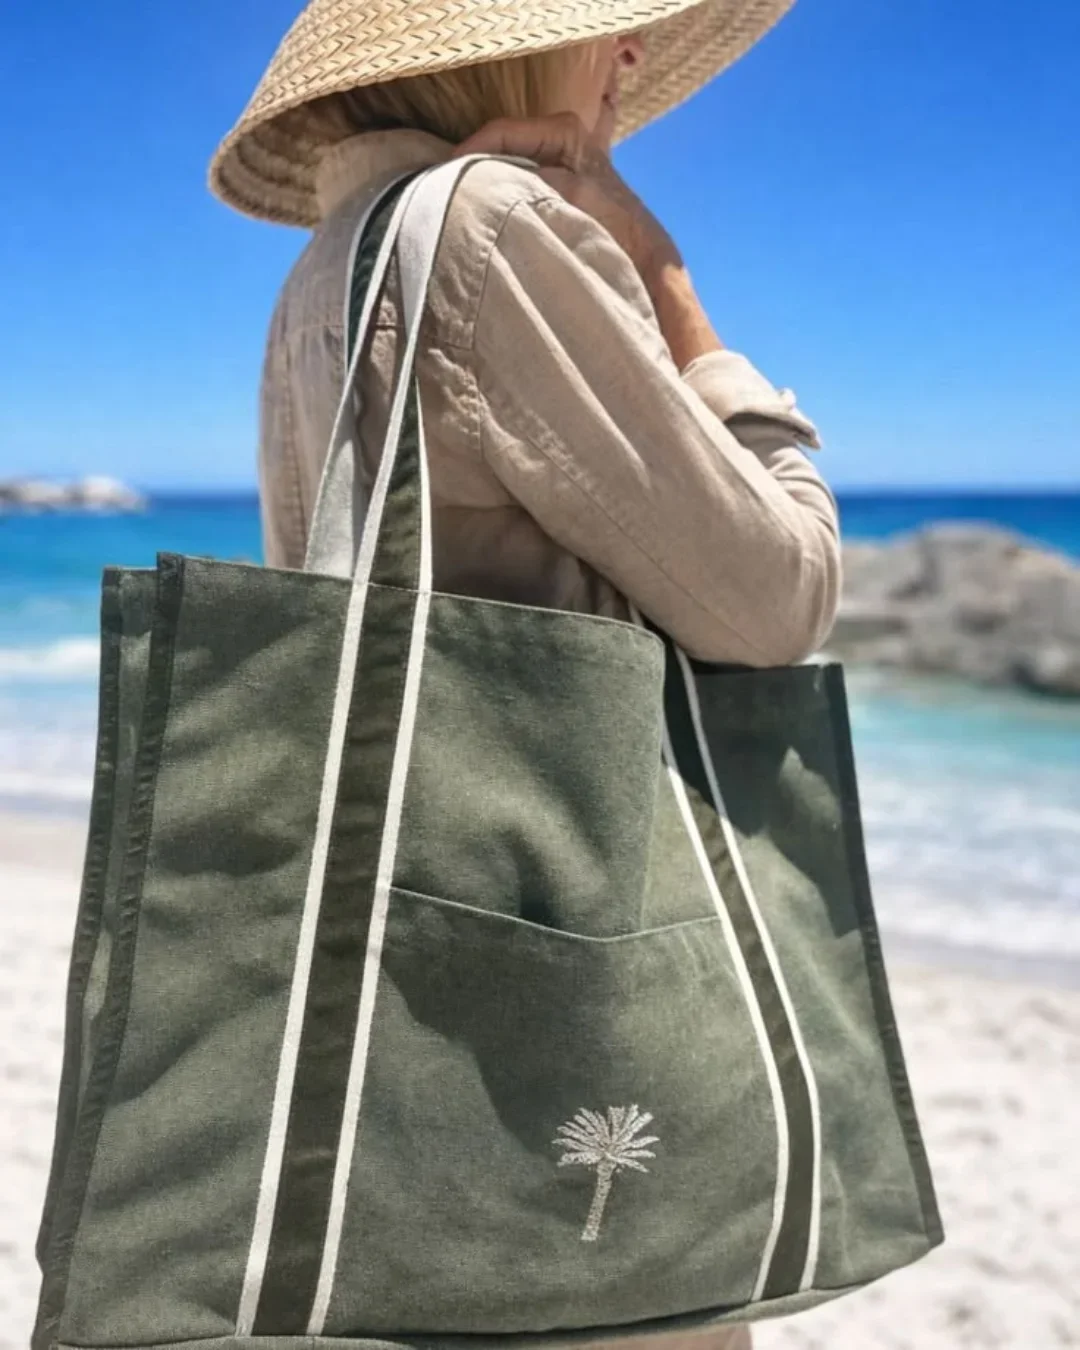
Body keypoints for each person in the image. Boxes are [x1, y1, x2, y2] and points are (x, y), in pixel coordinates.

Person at [210, 2, 838, 1345]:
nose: (632, 57)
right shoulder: (497, 226)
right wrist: (667, 278)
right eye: (612, 24)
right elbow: (782, 597)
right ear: (501, 38)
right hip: (574, 1005)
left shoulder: (329, 263)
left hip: (418, 999)